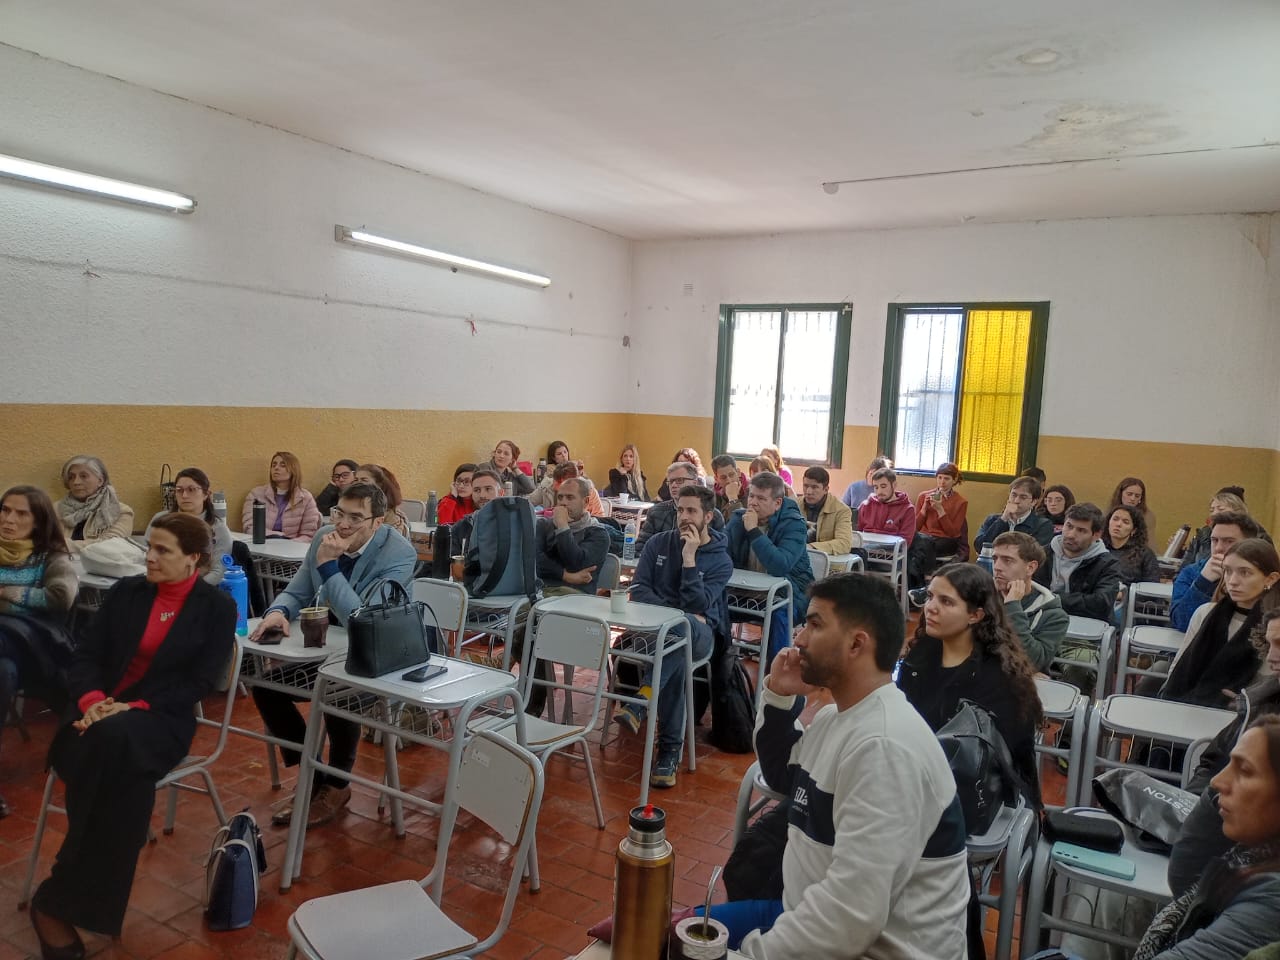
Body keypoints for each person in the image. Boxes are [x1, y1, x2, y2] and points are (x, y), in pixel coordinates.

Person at [706, 573, 970, 958]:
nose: (798, 639)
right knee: (664, 929)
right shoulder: (838, 718)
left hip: (865, 948)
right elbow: (783, 776)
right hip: (803, 915)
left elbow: (848, 919)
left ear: (856, 644)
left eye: (814, 625)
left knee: (672, 943)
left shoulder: (884, 747)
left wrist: (749, 954)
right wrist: (779, 697)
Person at [28, 512, 235, 954]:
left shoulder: (216, 607)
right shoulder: (127, 593)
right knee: (127, 779)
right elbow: (85, 656)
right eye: (150, 547)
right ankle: (65, 902)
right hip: (93, 719)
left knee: (113, 740)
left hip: (159, 720)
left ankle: (55, 898)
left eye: (163, 550)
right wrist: (91, 702)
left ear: (192, 560)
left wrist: (132, 706)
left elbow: (198, 682)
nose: (151, 558)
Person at [248, 482, 415, 828]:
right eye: (340, 512)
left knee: (337, 695)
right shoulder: (325, 535)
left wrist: (329, 568)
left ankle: (337, 785)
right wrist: (277, 612)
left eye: (356, 518)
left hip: (375, 660)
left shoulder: (398, 554)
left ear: (377, 522)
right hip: (328, 650)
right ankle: (313, 776)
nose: (343, 524)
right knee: (265, 687)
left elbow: (363, 621)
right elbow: (299, 590)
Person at [1131, 715, 1280, 960]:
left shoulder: (1273, 899)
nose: (1218, 781)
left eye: (1244, 770)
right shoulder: (1249, 857)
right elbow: (1185, 878)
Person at [899, 563, 1044, 806]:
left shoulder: (999, 678)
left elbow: (1003, 762)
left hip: (971, 791)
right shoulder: (921, 653)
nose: (930, 608)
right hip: (915, 773)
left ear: (975, 615)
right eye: (930, 596)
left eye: (946, 602)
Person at [618, 484, 731, 787]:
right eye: (680, 510)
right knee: (675, 646)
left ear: (708, 516)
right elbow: (638, 590)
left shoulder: (721, 560)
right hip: (659, 632)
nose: (684, 517)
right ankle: (668, 753)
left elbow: (699, 605)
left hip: (702, 635)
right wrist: (675, 614)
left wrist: (690, 558)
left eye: (692, 511)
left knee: (680, 631)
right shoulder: (657, 543)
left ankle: (642, 702)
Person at [1168, 610, 1280, 897]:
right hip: (1210, 834)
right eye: (1270, 645)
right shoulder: (1258, 701)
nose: (1271, 657)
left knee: (1112, 902)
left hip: (1241, 864)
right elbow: (1211, 761)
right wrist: (1191, 802)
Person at [0, 486, 77, 818]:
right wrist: (20, 599)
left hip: (39, 651)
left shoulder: (53, 557)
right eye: (5, 510)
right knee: (2, 672)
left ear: (39, 520)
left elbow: (61, 597)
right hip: (9, 659)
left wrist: (5, 592)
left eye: (21, 513)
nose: (9, 519)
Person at [1160, 539, 1279, 708]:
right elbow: (1178, 668)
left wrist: (1244, 702)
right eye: (1228, 571)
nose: (1232, 581)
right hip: (1187, 707)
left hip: (1246, 719)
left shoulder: (1275, 627)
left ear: (1271, 579)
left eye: (1245, 573)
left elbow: (1270, 685)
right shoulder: (1205, 613)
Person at [725, 472, 814, 665]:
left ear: (778, 503)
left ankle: (778, 679)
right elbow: (722, 557)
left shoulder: (794, 525)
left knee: (778, 612)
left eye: (761, 498)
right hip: (745, 591)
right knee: (712, 604)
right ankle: (724, 671)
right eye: (751, 496)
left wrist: (754, 531)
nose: (753, 503)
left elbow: (779, 566)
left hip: (790, 594)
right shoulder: (739, 519)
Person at [991, 531, 1068, 673]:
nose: (997, 567)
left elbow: (1033, 662)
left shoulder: (1054, 616)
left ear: (1030, 568)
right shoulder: (979, 598)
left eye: (1007, 560)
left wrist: (1012, 606)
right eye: (995, 559)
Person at [1171, 511, 1261, 631]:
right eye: (1214, 540)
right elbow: (1182, 623)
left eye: (1229, 541)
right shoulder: (1191, 572)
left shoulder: (1260, 577)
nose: (1218, 548)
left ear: (1249, 544)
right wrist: (1204, 581)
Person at [145, 467, 234, 586]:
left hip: (198, 589)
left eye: (192, 489)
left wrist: (189, 590)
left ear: (206, 494)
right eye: (179, 490)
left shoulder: (218, 529)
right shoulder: (160, 520)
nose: (185, 495)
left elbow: (218, 572)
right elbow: (143, 556)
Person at [1034, 502, 1123, 620]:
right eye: (1069, 526)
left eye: (1081, 530)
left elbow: (1100, 604)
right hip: (1040, 620)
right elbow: (1028, 591)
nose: (1071, 535)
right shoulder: (1042, 554)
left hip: (1085, 625)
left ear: (1096, 535)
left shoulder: (1108, 564)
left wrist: (1052, 598)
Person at [535, 478, 610, 595]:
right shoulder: (544, 525)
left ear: (585, 502)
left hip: (575, 596)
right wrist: (565, 575)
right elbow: (533, 560)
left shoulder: (598, 533)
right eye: (560, 497)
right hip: (540, 590)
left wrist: (563, 526)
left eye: (570, 497)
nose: (563, 502)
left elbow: (575, 564)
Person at [636, 461, 725, 552]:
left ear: (694, 483)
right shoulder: (656, 512)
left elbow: (719, 550)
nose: (673, 485)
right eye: (670, 481)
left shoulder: (712, 515)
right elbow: (641, 546)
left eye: (679, 480)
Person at [55, 455, 135, 553]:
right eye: (71, 477)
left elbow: (111, 545)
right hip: (60, 565)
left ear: (100, 481)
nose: (76, 482)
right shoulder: (56, 509)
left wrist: (65, 545)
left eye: (84, 476)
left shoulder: (120, 511)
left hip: (101, 566)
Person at [908, 462, 968, 589]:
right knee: (919, 544)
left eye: (946, 478)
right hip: (924, 538)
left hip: (946, 540)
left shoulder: (961, 502)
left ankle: (922, 584)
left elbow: (954, 533)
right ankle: (924, 585)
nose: (942, 482)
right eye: (939, 478)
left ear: (954, 480)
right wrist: (924, 509)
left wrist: (941, 510)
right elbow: (915, 528)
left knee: (921, 546)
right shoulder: (923, 496)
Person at [1180, 488, 1273, 572]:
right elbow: (1185, 567)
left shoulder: (1259, 537)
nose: (1214, 514)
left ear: (1239, 511)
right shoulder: (1203, 533)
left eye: (1221, 509)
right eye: (1212, 510)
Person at [241, 451, 322, 541]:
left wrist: (289, 544)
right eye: (273, 465)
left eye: (282, 465)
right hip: (262, 545)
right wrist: (279, 537)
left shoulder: (306, 498)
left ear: (293, 470)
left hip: (292, 548)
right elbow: (249, 527)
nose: (276, 468)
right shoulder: (256, 495)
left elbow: (308, 535)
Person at [973, 476, 1055, 551]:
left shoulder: (1043, 525)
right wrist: (1002, 520)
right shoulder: (992, 519)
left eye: (1023, 497)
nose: (1016, 501)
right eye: (1013, 495)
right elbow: (980, 547)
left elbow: (1034, 554)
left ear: (1033, 502)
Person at [799, 466, 853, 555]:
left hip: (826, 562)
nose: (808, 491)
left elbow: (844, 543)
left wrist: (811, 547)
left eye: (814, 487)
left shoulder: (841, 510)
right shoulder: (793, 505)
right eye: (805, 486)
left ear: (826, 490)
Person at [855, 467, 916, 545]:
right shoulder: (865, 505)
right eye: (876, 487)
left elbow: (905, 543)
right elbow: (856, 534)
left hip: (891, 552)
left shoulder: (908, 509)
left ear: (894, 485)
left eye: (883, 486)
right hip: (864, 549)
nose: (879, 491)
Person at [1104, 504, 1161, 585]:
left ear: (1133, 530)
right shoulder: (1098, 548)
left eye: (1125, 522)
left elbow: (1152, 588)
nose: (1118, 524)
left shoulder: (1145, 554)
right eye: (1115, 519)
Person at [529, 461, 606, 516]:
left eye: (563, 483)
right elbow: (528, 502)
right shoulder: (547, 487)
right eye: (556, 481)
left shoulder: (589, 491)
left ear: (576, 480)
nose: (558, 486)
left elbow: (600, 517)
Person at [355, 463, 409, 538]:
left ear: (378, 485)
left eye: (364, 480)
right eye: (356, 480)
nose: (358, 484)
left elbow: (391, 542)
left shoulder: (392, 516)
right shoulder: (353, 506)